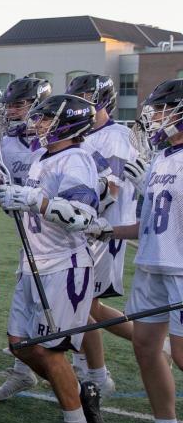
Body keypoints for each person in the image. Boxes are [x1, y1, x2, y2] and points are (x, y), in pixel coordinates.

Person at [0, 93, 104, 423]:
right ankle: (77, 392)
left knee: (51, 349)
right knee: (19, 345)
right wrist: (9, 195)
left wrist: (33, 200)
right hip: (34, 263)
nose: (37, 124)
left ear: (68, 123)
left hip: (63, 266)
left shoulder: (76, 159)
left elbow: (82, 218)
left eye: (45, 119)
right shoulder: (43, 156)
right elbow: (34, 206)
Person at [97, 78, 183, 423]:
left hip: (180, 269)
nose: (155, 118)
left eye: (163, 110)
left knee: (181, 355)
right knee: (147, 347)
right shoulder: (162, 158)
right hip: (151, 264)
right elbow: (149, 223)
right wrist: (103, 229)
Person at [66, 74, 134, 396]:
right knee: (86, 305)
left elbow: (114, 189)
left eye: (87, 97)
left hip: (105, 230)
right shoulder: (79, 133)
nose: (81, 104)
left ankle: (97, 374)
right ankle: (92, 368)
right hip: (82, 229)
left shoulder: (116, 135)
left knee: (85, 304)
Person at [0, 77, 51, 402]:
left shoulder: (56, 142)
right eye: (9, 104)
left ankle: (91, 375)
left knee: (72, 312)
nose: (12, 111)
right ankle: (23, 372)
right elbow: (2, 187)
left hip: (62, 238)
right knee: (26, 306)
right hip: (31, 235)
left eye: (19, 104)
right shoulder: (7, 144)